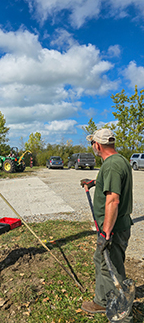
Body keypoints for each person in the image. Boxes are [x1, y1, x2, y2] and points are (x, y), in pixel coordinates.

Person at [80, 128, 133, 322]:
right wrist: (94, 182)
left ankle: (119, 310)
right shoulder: (121, 161)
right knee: (103, 261)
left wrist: (105, 233)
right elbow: (113, 182)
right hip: (119, 225)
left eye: (92, 143)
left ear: (97, 145)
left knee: (110, 266)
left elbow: (113, 201)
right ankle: (103, 299)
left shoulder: (111, 166)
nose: (93, 147)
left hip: (113, 228)